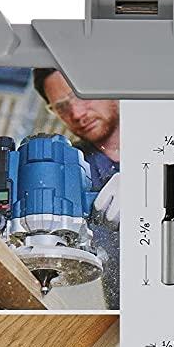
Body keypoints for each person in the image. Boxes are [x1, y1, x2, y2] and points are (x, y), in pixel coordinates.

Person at [33, 69, 121, 308]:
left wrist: (149, 184)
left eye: (81, 95)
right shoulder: (65, 167)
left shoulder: (171, 138)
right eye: (61, 107)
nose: (76, 113)